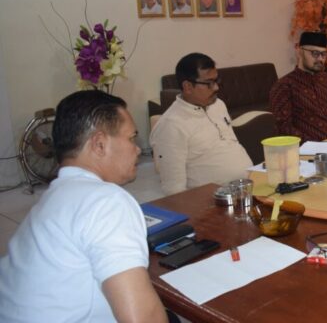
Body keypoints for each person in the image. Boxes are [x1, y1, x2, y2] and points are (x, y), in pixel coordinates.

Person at [0, 90, 167, 322]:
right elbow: (142, 318)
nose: (138, 149)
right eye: (131, 138)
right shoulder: (107, 201)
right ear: (99, 144)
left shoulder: (54, 198)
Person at [150, 53, 253, 195]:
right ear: (187, 87)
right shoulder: (171, 125)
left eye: (216, 81)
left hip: (248, 187)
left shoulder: (218, 105)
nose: (216, 87)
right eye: (209, 83)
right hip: (213, 200)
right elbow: (173, 189)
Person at [270, 32, 327, 142]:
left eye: (324, 54)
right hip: (309, 149)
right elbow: (284, 127)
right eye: (315, 53)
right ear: (299, 51)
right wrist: (315, 146)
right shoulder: (284, 86)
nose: (320, 59)